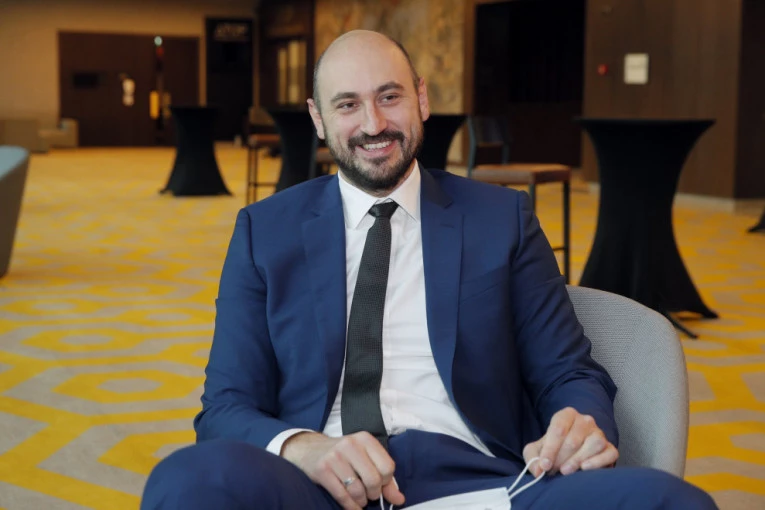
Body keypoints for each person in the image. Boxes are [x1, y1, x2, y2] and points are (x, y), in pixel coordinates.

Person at [140, 30, 717, 510]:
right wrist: (304, 448)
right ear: (318, 118)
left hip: (485, 482)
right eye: (347, 105)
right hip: (321, 486)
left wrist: (579, 423)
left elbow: (567, 371)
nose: (373, 124)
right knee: (187, 480)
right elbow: (225, 408)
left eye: (389, 96)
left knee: (669, 501)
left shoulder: (502, 219)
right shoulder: (265, 231)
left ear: (421, 98)